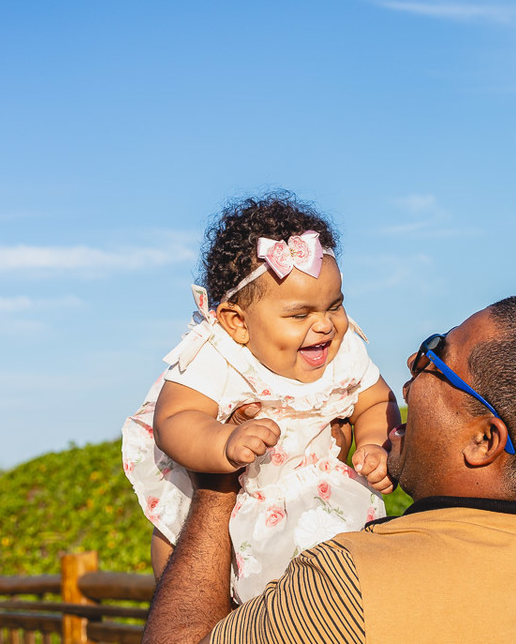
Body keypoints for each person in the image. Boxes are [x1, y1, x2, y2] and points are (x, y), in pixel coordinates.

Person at [141, 294, 516, 644]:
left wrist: (217, 485)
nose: (413, 364)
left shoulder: (346, 583)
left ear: (484, 441)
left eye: (437, 358)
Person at [121, 193, 400, 602]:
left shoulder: (345, 352)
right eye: (300, 314)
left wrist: (375, 442)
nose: (325, 325)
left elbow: (375, 401)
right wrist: (223, 442)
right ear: (238, 322)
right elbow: (175, 418)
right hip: (232, 499)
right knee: (174, 536)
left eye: (335, 306)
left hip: (315, 501)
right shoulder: (216, 353)